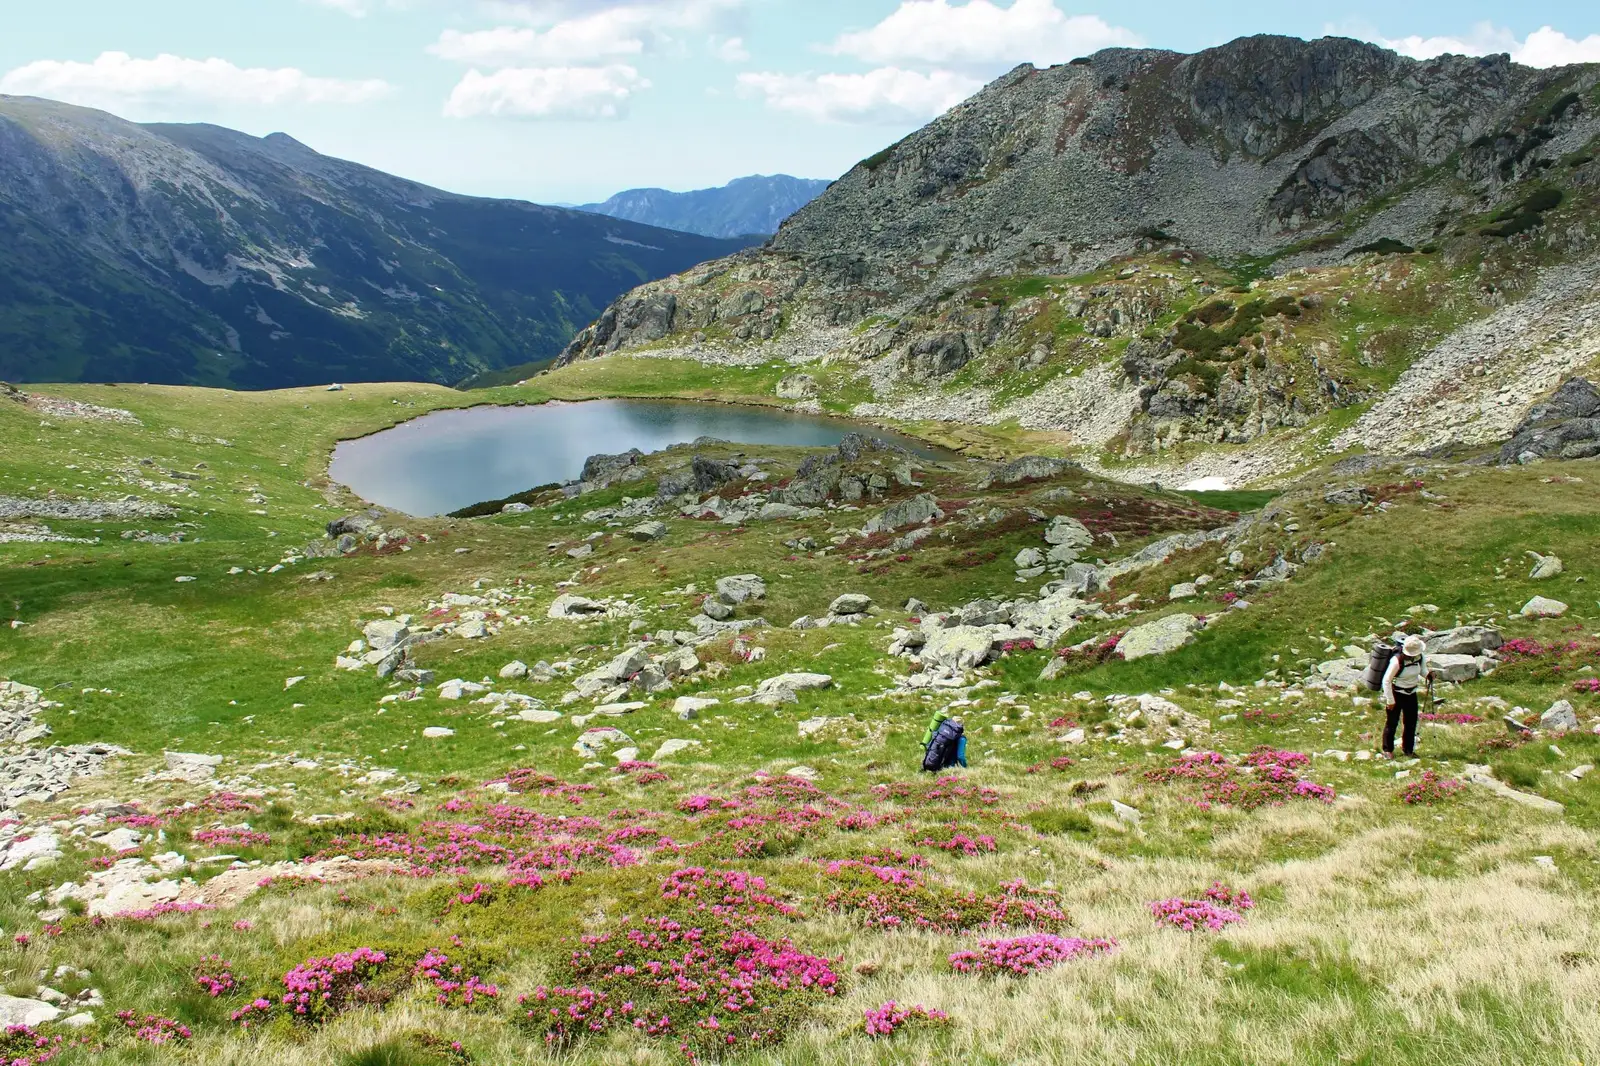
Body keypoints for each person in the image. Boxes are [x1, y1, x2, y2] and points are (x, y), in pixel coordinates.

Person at [1381, 635, 1431, 758]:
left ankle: (1408, 750)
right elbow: (1386, 681)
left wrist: (1428, 675)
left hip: (1411, 693)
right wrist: (1390, 700)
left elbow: (1422, 670)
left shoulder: (1419, 657)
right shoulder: (1397, 661)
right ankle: (1388, 750)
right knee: (1392, 722)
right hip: (1396, 694)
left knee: (1411, 723)